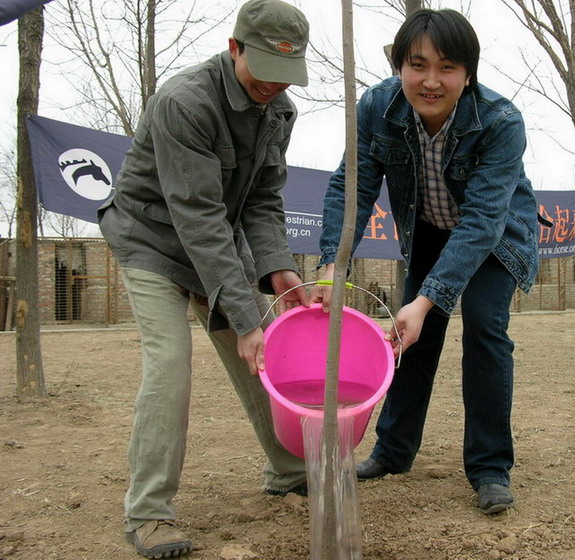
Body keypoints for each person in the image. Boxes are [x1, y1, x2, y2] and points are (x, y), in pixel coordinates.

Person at [98, 0, 311, 557]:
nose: (274, 85)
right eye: (264, 67)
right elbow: (197, 216)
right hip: (151, 241)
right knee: (171, 364)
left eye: (286, 74)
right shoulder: (184, 102)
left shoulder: (279, 112)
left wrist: (279, 270)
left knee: (266, 355)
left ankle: (290, 471)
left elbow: (262, 201)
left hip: (216, 242)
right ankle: (148, 513)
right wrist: (243, 317)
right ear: (235, 47)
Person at [310, 9, 539, 514]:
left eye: (448, 68)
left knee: (484, 328)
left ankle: (489, 467)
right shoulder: (375, 107)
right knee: (410, 336)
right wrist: (334, 264)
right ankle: (393, 452)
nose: (430, 81)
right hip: (430, 231)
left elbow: (482, 220)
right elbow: (352, 186)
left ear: (468, 74)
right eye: (417, 65)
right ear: (398, 66)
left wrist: (430, 297)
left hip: (495, 236)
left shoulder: (501, 122)